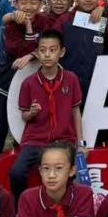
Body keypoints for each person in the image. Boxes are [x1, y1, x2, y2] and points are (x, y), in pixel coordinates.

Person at [8, 30, 85, 199]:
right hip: (35, 141)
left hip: (63, 141)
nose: (47, 55)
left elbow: (76, 111)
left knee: (73, 175)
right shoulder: (29, 83)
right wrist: (31, 112)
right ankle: (22, 209)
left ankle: (68, 207)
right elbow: (24, 116)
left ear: (61, 52)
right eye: (42, 50)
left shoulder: (71, 79)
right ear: (37, 53)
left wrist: (81, 143)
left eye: (52, 50)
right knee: (16, 173)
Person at [0, 0, 50, 159]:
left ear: (40, 3)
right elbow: (18, 51)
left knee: (26, 125)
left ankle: (21, 161)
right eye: (24, 2)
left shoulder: (45, 22)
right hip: (6, 82)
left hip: (34, 85)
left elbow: (51, 45)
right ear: (15, 3)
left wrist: (33, 53)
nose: (28, 7)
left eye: (33, 2)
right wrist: (28, 28)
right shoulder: (12, 24)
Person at [57, 0, 108, 96]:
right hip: (67, 82)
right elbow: (51, 41)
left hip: (97, 82)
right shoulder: (65, 20)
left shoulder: (103, 20)